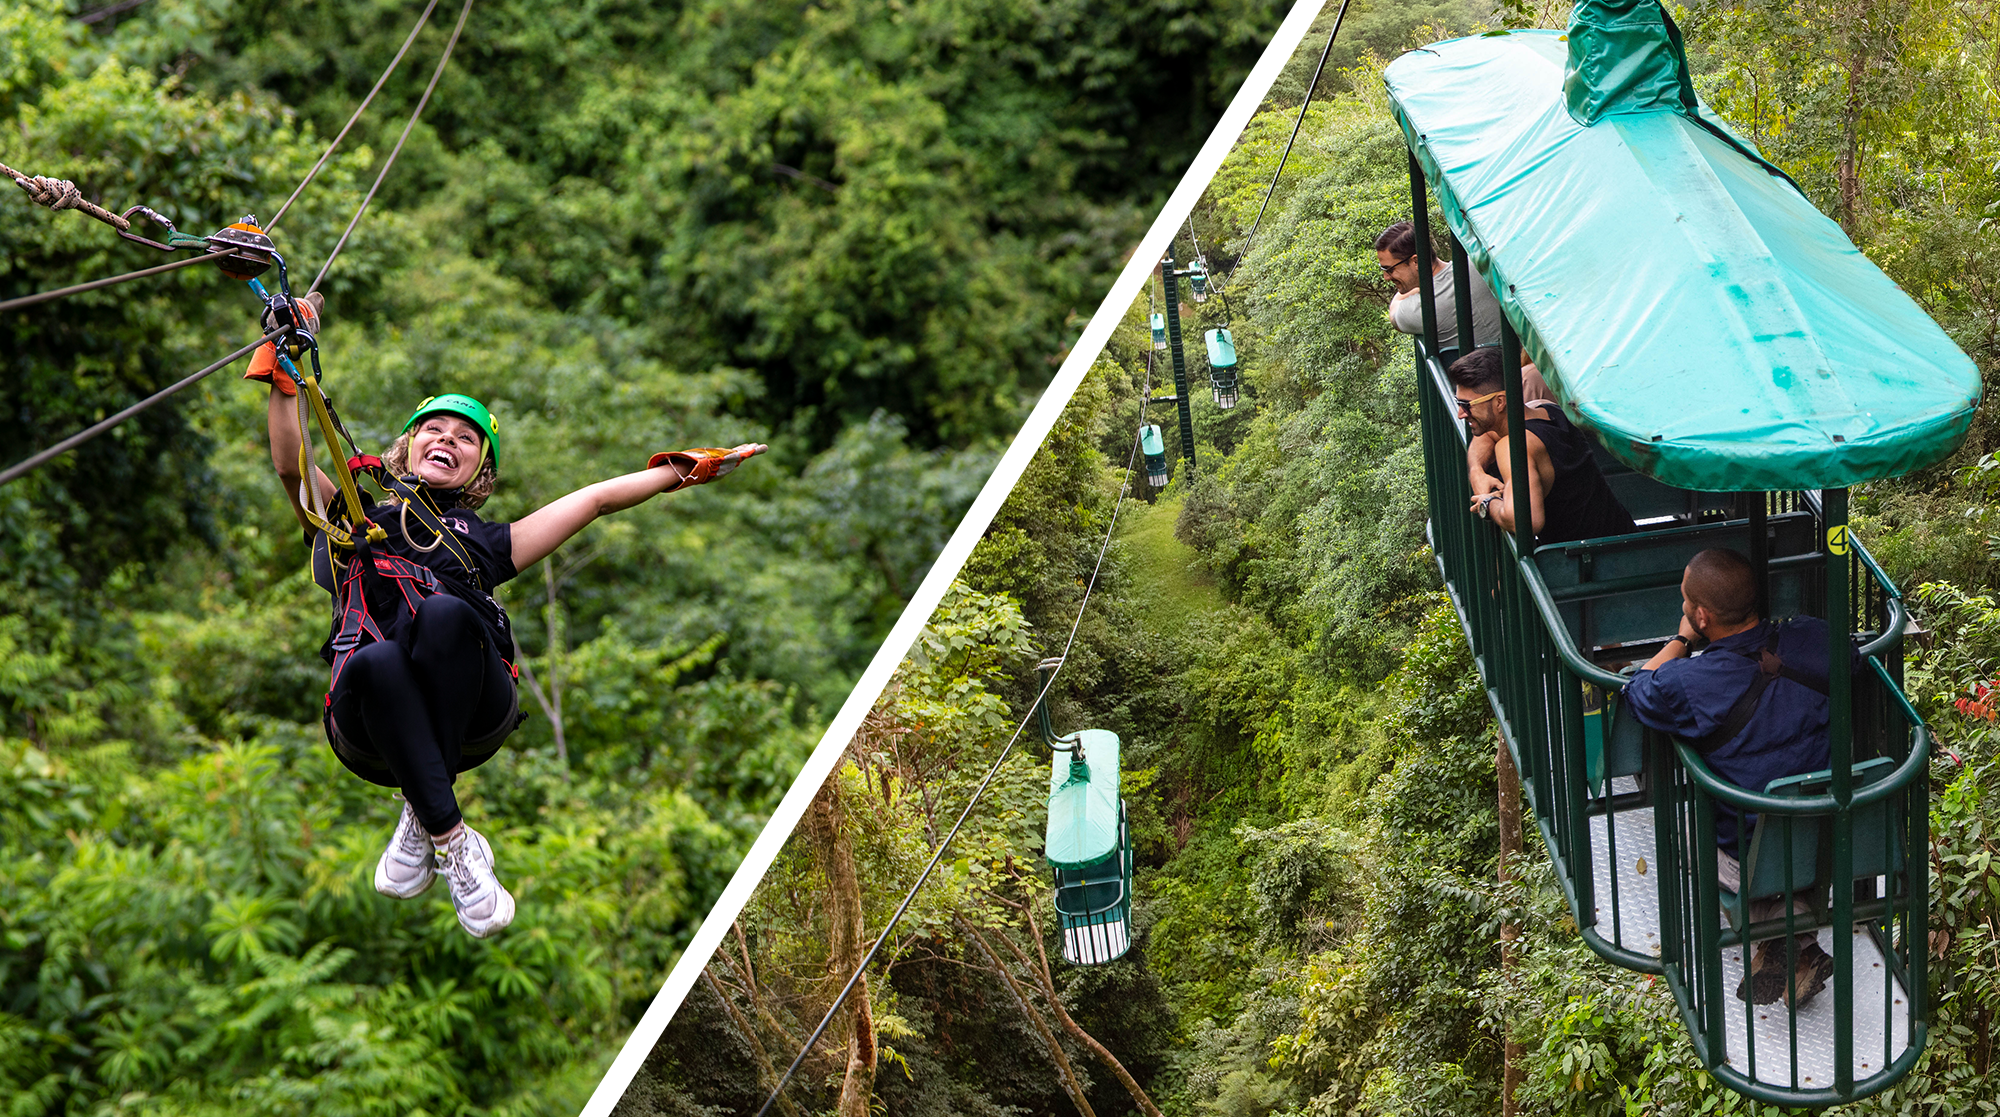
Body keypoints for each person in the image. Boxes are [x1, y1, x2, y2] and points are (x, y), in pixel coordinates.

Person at [247, 305, 765, 938]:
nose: (446, 441)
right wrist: (281, 363)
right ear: (405, 448)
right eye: (432, 430)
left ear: (480, 471)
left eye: (465, 439)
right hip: (367, 725)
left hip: (473, 710)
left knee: (442, 616)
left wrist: (691, 466)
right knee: (376, 660)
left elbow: (596, 500)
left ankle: (426, 813)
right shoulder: (354, 518)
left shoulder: (488, 541)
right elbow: (290, 464)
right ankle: (447, 832)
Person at [1623, 548, 1839, 1006]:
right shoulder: (1815, 637)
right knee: (1780, 837)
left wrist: (1681, 641)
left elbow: (1637, 689)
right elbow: (1853, 660)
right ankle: (1796, 945)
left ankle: (1786, 937)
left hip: (1750, 851)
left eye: (1685, 602)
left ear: (1701, 615)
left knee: (1685, 827)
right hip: (1830, 829)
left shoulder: (1689, 682)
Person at [1450, 347, 1635, 545]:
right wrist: (1477, 471)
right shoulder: (1545, 408)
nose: (1461, 413)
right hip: (1625, 539)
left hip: (1591, 562)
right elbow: (1486, 435)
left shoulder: (1514, 447)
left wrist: (1488, 502)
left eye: (1467, 405)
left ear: (1500, 402)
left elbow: (1526, 521)